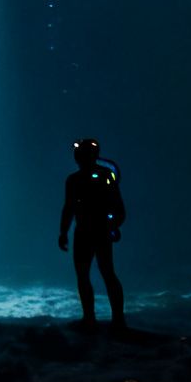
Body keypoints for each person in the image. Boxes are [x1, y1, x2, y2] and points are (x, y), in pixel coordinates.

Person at [58, 138, 126, 331]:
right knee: (101, 274)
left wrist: (63, 232)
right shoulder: (101, 176)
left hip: (90, 232)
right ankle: (110, 320)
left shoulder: (76, 179)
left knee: (92, 274)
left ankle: (95, 319)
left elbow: (69, 208)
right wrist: (113, 225)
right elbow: (69, 208)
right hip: (95, 232)